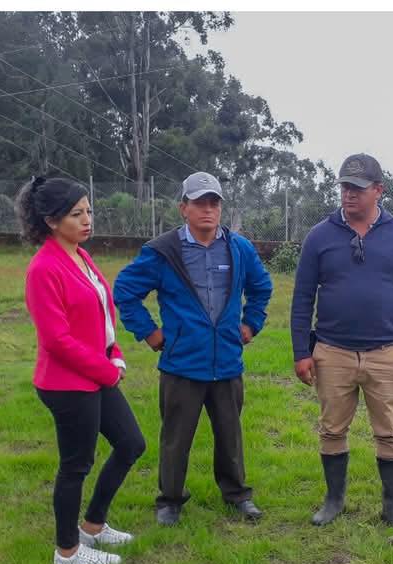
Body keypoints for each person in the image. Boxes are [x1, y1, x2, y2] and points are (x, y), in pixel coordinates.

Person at [113, 171, 273, 526]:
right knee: (176, 437)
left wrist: (251, 324)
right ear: (183, 208)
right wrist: (149, 332)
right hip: (182, 363)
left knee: (230, 435)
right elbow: (124, 291)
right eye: (200, 203)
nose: (208, 209)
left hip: (226, 361)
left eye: (214, 202)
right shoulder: (163, 251)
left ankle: (237, 494)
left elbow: (261, 288)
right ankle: (170, 500)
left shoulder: (239, 248)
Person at [291, 153, 393, 527]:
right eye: (345, 187)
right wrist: (302, 351)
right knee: (332, 429)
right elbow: (302, 297)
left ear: (378, 190)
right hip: (331, 351)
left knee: (390, 431)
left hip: (386, 353)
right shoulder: (319, 236)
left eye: (358, 188)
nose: (349, 194)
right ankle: (334, 500)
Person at [21, 176, 146, 564]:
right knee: (76, 465)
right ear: (51, 220)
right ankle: (68, 552)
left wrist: (116, 355)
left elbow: (101, 314)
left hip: (95, 374)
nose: (87, 220)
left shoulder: (81, 255)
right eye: (77, 214)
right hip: (66, 384)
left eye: (89, 211)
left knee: (131, 444)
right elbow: (56, 340)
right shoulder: (44, 268)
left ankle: (92, 525)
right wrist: (106, 371)